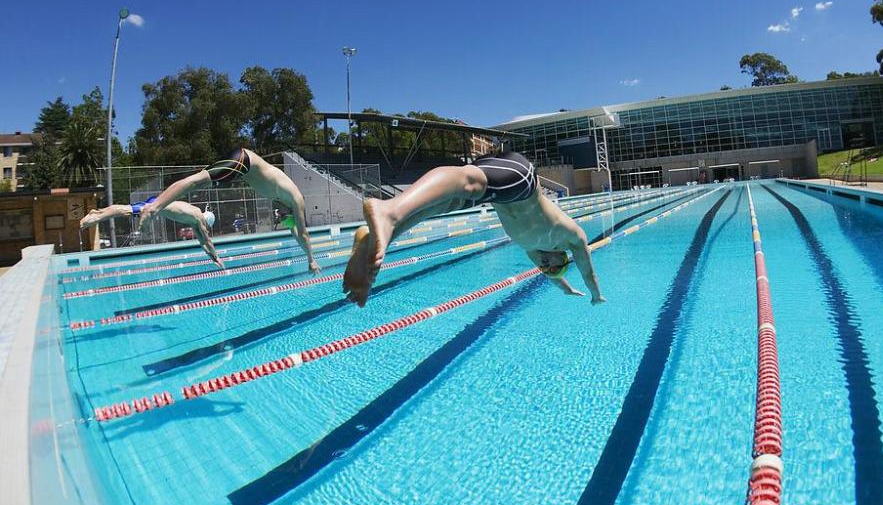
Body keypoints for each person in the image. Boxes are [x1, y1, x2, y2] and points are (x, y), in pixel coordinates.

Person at [342, 151, 606, 307]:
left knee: (440, 205)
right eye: (553, 265)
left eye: (545, 268)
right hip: (521, 179)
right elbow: (588, 270)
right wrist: (595, 295)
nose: (545, 265)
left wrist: (565, 288)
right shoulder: (570, 236)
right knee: (468, 181)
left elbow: (553, 276)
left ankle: (373, 241)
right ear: (562, 255)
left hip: (498, 195)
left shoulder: (531, 251)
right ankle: (389, 210)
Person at [138, 148, 321, 273]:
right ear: (292, 211)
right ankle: (153, 207)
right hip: (243, 160)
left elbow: (294, 230)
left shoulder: (284, 199)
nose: (278, 215)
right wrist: (311, 259)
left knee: (198, 183)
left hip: (242, 164)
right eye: (283, 216)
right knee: (197, 181)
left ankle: (155, 206)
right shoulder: (296, 199)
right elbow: (302, 232)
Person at [82, 198, 224, 268]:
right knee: (126, 210)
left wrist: (211, 256)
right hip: (155, 205)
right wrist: (217, 257)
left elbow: (202, 242)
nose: (205, 228)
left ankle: (98, 214)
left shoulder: (195, 219)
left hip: (157, 203)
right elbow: (207, 240)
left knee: (128, 210)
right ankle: (97, 214)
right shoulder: (198, 218)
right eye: (206, 226)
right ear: (206, 222)